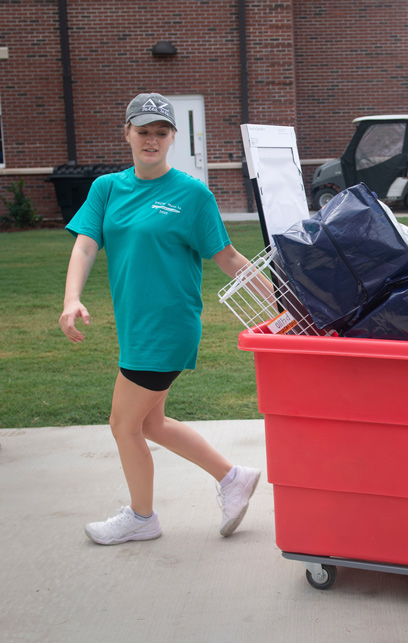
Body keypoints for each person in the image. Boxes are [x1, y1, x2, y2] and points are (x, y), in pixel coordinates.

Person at [59, 93, 263, 546]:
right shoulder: (107, 189)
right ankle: (233, 477)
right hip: (135, 324)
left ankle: (142, 517)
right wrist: (72, 297)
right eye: (143, 130)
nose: (151, 139)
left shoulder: (192, 195)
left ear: (172, 137)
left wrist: (282, 299)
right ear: (127, 133)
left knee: (122, 424)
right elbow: (86, 244)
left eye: (161, 132)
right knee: (150, 424)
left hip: (168, 325)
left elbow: (227, 256)